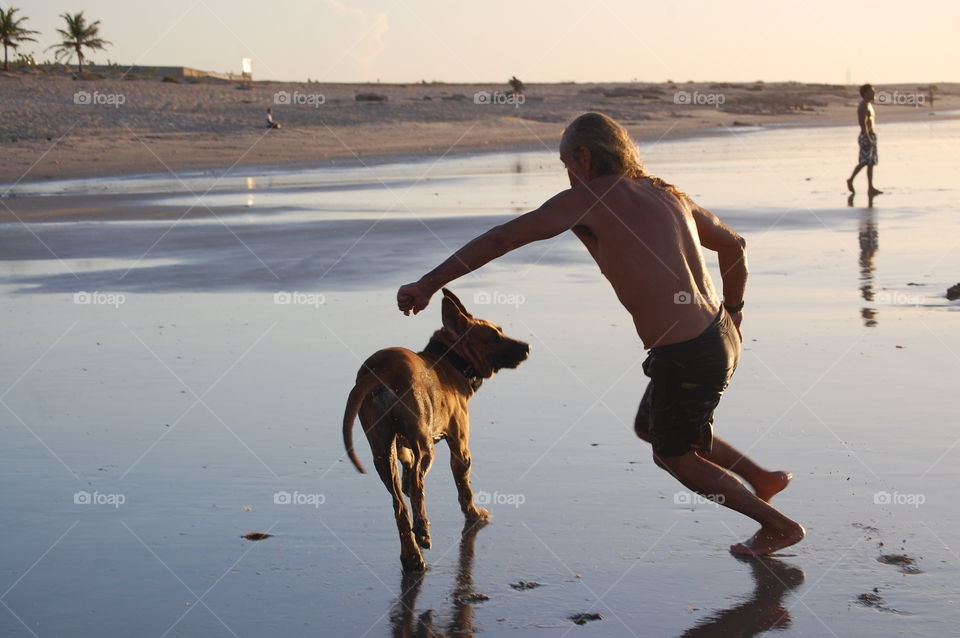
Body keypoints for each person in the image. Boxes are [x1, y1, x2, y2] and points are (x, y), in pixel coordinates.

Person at [397, 112, 805, 557]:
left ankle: (778, 526)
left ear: (584, 157)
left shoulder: (589, 199)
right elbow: (734, 245)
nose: (568, 175)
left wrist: (427, 284)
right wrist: (736, 310)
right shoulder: (666, 194)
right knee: (653, 426)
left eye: (566, 164)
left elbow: (501, 239)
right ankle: (762, 479)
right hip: (717, 334)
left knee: (674, 455)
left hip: (688, 351)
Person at [847, 84, 881, 196]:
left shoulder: (869, 104)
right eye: (872, 91)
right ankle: (851, 180)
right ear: (865, 93)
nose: (874, 93)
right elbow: (863, 123)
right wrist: (868, 138)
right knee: (864, 162)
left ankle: (870, 188)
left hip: (871, 135)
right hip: (866, 136)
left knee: (871, 163)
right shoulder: (863, 105)